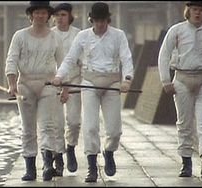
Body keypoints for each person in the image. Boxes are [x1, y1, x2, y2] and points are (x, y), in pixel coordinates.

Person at [51, 2, 134, 183]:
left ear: (108, 20)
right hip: (89, 82)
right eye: (96, 21)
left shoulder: (118, 36)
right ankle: (91, 166)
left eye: (103, 21)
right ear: (91, 20)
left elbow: (126, 58)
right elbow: (70, 59)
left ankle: (109, 151)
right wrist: (59, 77)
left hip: (112, 81)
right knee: (90, 126)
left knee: (114, 130)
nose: (100, 24)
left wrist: (127, 80)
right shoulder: (82, 36)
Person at [5, 1, 64, 181]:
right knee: (28, 128)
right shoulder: (20, 36)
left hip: (48, 84)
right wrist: (12, 83)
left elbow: (62, 64)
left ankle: (47, 164)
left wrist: (63, 85)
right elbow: (12, 60)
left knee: (47, 125)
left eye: (43, 12)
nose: (40, 16)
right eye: (37, 12)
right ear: (31, 15)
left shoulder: (55, 37)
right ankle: (30, 168)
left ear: (48, 15)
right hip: (26, 84)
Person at [158, 1, 202, 179]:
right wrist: (165, 80)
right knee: (184, 123)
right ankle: (186, 162)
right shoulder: (177, 30)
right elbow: (164, 54)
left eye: (201, 10)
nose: (197, 13)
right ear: (188, 11)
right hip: (182, 79)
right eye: (194, 10)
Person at [51, 3, 82, 174]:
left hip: (74, 82)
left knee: (74, 121)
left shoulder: (78, 35)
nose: (59, 18)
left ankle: (70, 147)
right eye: (57, 15)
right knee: (56, 124)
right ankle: (59, 156)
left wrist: (68, 86)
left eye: (63, 15)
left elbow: (81, 61)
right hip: (53, 84)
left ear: (70, 16)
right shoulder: (49, 35)